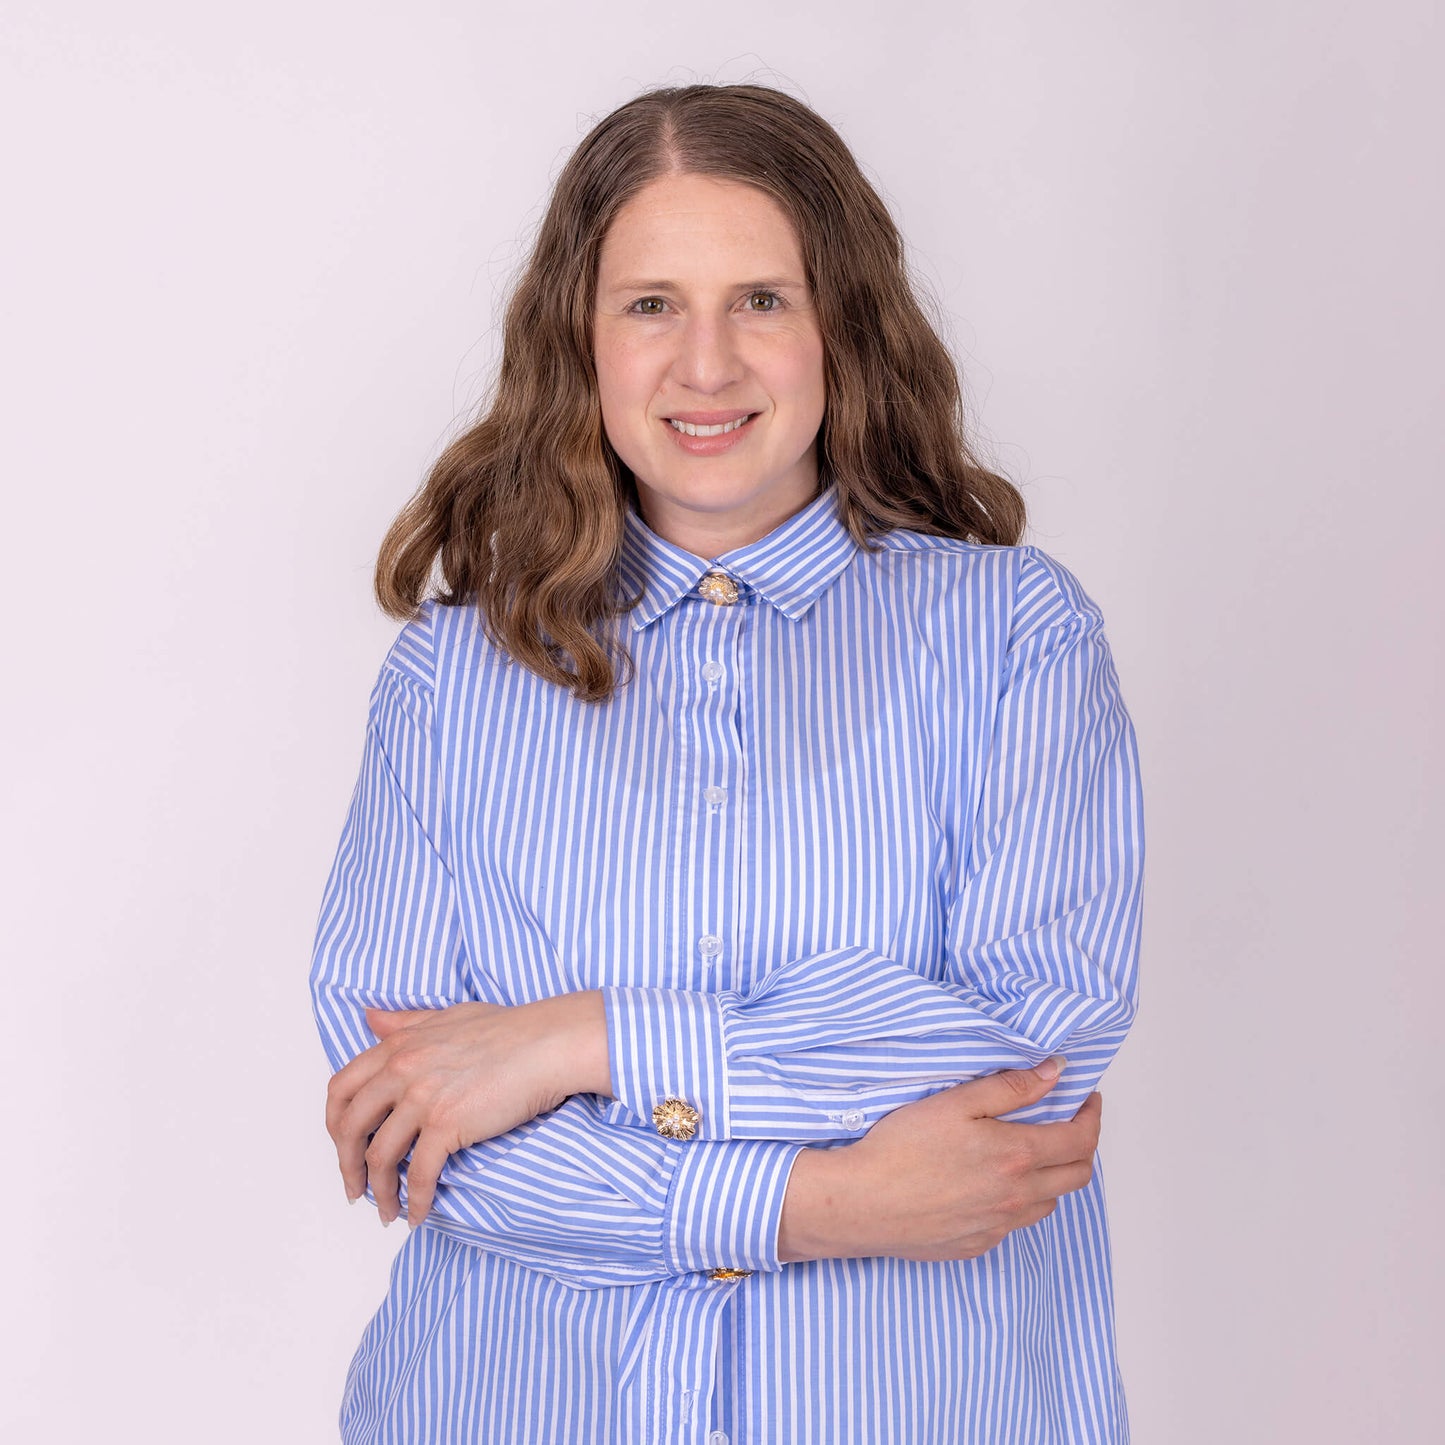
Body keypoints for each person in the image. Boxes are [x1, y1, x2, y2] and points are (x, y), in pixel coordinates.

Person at [310, 82, 1144, 1444]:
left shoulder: (1013, 638)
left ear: (841, 331)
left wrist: (581, 1038)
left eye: (760, 299)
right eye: (650, 304)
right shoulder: (449, 682)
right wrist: (816, 1203)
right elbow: (412, 1129)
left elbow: (1020, 1055)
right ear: (578, 338)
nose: (705, 365)